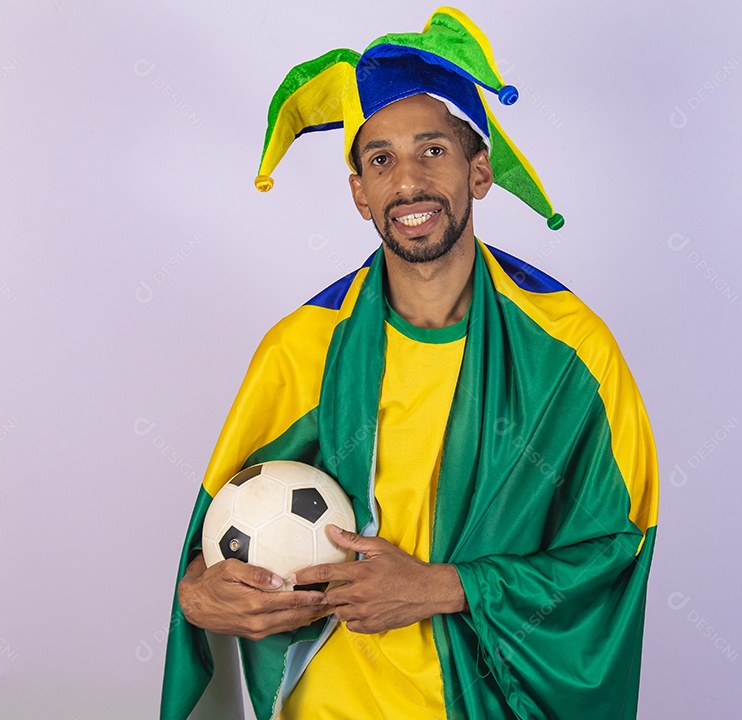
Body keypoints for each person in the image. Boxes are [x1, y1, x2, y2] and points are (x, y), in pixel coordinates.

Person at [161, 8, 659, 720]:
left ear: (479, 170)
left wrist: (447, 587)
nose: (408, 182)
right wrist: (198, 593)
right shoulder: (301, 348)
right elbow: (218, 535)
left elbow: (618, 546)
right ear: (360, 190)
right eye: (381, 159)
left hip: (484, 706)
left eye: (433, 151)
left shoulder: (571, 351)